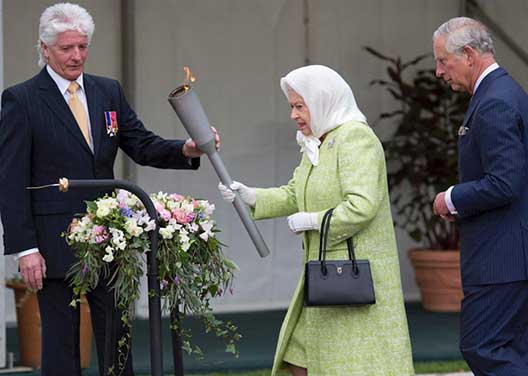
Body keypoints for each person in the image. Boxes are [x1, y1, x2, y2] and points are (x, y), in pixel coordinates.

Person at [0, 3, 219, 375]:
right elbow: (10, 179)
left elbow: (140, 143)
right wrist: (26, 248)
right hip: (52, 242)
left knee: (116, 339)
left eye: (83, 46)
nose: (77, 56)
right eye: (67, 48)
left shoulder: (107, 91)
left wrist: (185, 148)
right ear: (45, 48)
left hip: (110, 236)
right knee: (62, 346)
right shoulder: (21, 99)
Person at [219, 65, 414, 376]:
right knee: (299, 356)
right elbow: (296, 194)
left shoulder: (355, 138)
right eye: (292, 107)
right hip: (326, 273)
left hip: (354, 273)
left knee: (341, 364)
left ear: (323, 100)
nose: (294, 115)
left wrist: (312, 221)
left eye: (300, 106)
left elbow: (362, 205)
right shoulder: (317, 142)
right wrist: (251, 196)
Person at [432, 17, 528, 375]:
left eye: (442, 61)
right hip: (516, 253)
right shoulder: (501, 93)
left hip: (504, 257)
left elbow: (503, 183)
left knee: (481, 344)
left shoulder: (496, 101)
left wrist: (451, 198)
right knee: (514, 351)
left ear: (468, 54)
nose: (438, 71)